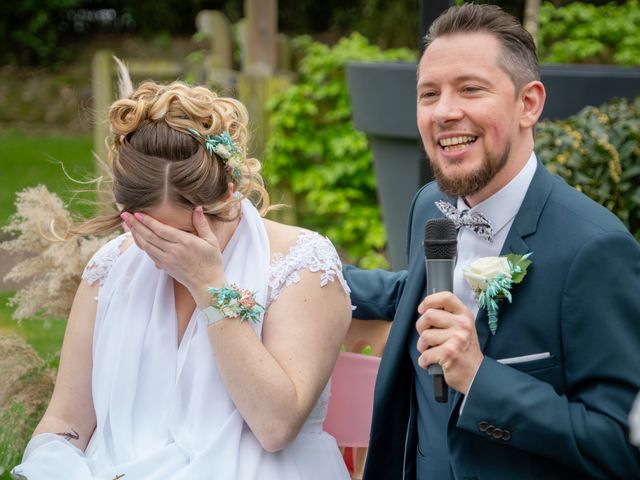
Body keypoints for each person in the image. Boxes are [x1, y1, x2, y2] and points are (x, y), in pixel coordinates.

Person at [11, 65, 352, 479]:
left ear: (228, 193)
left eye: (186, 232)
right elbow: (65, 423)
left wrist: (210, 286)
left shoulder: (302, 264)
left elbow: (276, 426)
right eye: (149, 232)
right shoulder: (109, 269)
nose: (167, 252)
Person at [344, 4, 640, 479]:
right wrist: (304, 267)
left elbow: (622, 445)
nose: (444, 112)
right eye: (429, 94)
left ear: (529, 104)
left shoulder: (596, 250)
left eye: (470, 89)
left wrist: (482, 379)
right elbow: (419, 293)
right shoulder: (429, 205)